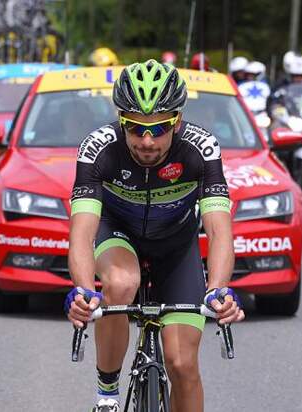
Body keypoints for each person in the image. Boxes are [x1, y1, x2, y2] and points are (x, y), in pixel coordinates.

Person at [65, 59, 245, 412]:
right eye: (135, 128)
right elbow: (82, 232)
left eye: (159, 129)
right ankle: (107, 392)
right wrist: (84, 292)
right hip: (118, 235)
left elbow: (219, 229)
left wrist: (219, 289)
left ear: (176, 121)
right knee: (120, 283)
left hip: (177, 246)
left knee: (182, 364)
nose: (147, 141)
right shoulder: (97, 149)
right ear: (122, 121)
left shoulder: (202, 150)